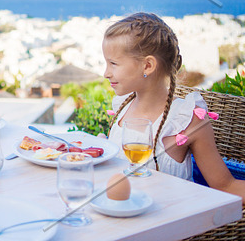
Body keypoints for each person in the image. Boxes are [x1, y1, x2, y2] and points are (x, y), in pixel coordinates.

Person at [104, 12, 245, 202]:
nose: (106, 73)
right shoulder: (122, 107)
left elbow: (225, 185)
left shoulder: (186, 120)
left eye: (113, 64)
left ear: (147, 66)